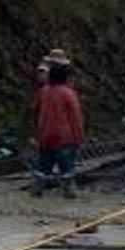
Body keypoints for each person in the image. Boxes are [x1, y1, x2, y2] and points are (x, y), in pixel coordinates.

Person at [31, 63, 86, 198]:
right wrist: (80, 136)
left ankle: (38, 187)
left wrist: (38, 130)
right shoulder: (68, 93)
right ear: (67, 78)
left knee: (43, 163)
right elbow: (75, 116)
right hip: (65, 136)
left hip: (45, 134)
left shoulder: (43, 91)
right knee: (67, 165)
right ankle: (69, 190)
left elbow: (35, 109)